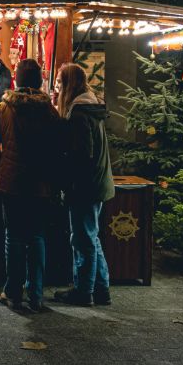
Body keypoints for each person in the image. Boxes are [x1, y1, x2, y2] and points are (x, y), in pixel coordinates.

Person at [0, 58, 61, 312]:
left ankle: (13, 292)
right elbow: (58, 147)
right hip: (40, 183)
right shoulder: (49, 110)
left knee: (14, 237)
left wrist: (3, 164)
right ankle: (36, 294)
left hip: (12, 183)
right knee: (37, 236)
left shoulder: (4, 107)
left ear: (16, 79)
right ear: (39, 81)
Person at [52, 63, 115, 307]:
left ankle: (84, 291)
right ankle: (101, 288)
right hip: (97, 181)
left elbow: (80, 155)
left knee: (82, 239)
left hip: (85, 185)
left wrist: (65, 178)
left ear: (68, 84)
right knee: (91, 236)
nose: (56, 89)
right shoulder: (90, 106)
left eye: (59, 83)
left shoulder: (78, 113)